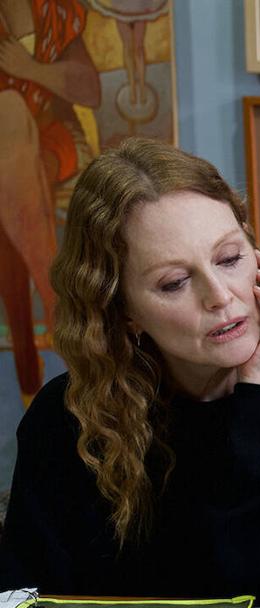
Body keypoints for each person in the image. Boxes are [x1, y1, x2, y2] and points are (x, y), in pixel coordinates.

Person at [0, 138, 260, 601]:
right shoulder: (66, 414)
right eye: (174, 282)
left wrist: (258, 389)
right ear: (123, 309)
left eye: (229, 259)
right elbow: (25, 593)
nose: (220, 296)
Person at [0, 0, 100, 404]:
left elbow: (90, 90)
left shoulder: (54, 11)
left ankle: (29, 381)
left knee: (10, 112)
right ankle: (57, 297)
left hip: (50, 140)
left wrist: (31, 70)